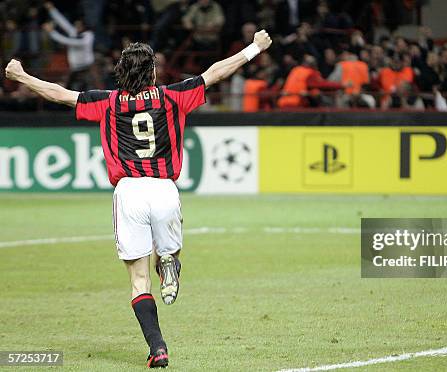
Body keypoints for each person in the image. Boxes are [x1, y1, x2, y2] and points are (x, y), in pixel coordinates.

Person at [5, 30, 272, 367]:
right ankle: (169, 262)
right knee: (171, 250)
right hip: (164, 189)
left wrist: (22, 75)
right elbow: (216, 72)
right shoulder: (172, 96)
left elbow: (59, 94)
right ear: (153, 72)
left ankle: (157, 347)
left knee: (137, 280)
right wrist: (253, 48)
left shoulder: (107, 101)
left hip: (129, 191)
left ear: (121, 71)